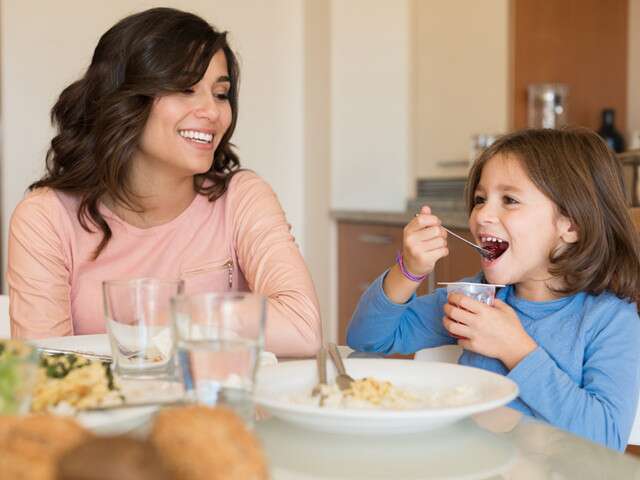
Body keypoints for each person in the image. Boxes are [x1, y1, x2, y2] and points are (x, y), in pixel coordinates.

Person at [6, 7, 321, 357]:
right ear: (125, 100)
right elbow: (42, 370)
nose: (213, 112)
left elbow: (302, 328)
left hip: (215, 394)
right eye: (186, 89)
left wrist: (177, 316)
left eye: (220, 94)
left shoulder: (241, 198)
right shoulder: (46, 218)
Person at [347, 127, 640, 451]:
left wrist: (516, 350)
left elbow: (606, 439)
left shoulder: (611, 319)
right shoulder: (476, 299)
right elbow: (368, 339)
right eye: (480, 199)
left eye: (509, 200)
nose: (482, 215)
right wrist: (409, 271)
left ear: (571, 225)